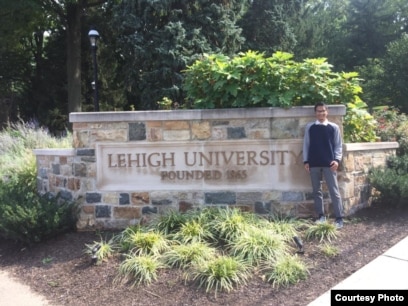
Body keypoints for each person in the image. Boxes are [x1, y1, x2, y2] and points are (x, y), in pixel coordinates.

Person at [303, 102, 344, 229]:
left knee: (334, 191)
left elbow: (338, 145)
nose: (321, 113)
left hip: (329, 164)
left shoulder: (333, 127)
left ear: (327, 112)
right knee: (317, 191)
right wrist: (306, 161)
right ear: (315, 113)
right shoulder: (310, 127)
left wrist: (337, 160)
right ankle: (321, 216)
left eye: (323, 111)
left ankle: (339, 218)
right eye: (318, 111)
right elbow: (306, 144)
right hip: (314, 163)